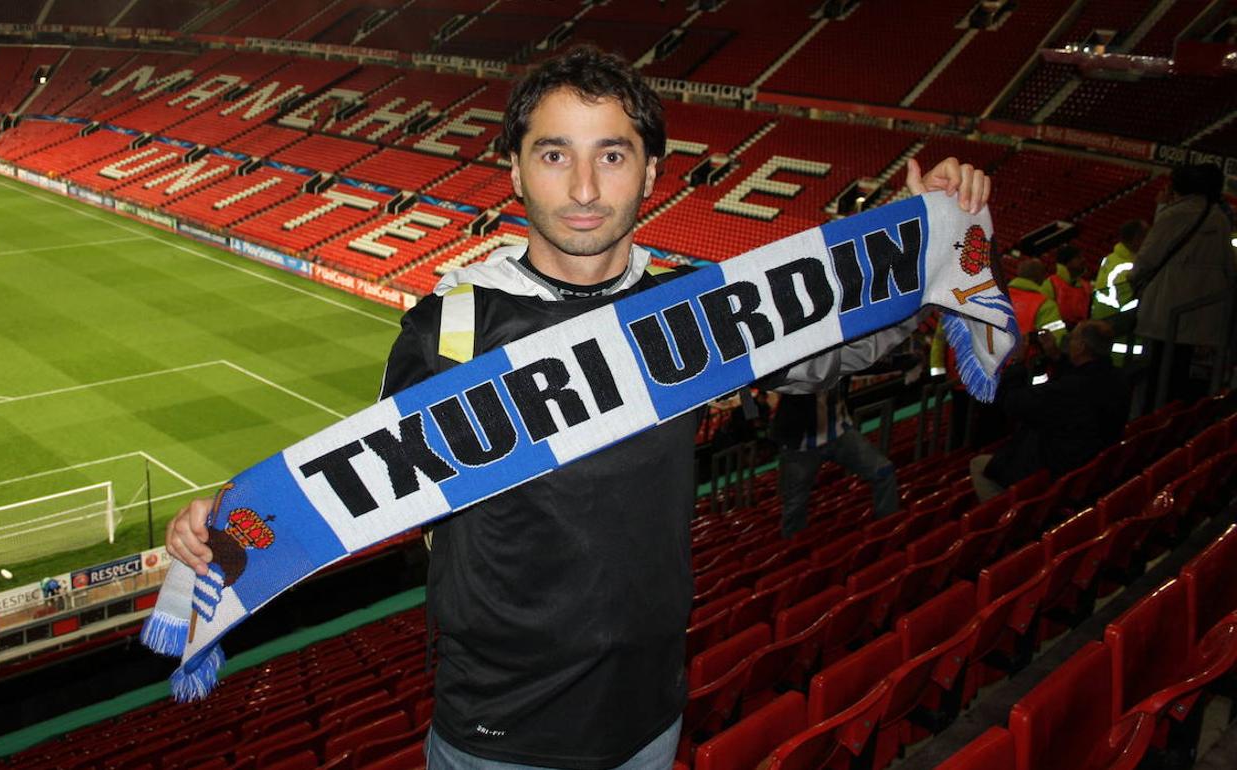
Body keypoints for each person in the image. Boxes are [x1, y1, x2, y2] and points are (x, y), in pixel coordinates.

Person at [165, 45, 991, 769]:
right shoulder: (449, 328)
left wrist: (928, 238)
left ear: (654, 173)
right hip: (497, 736)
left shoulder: (698, 317)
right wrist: (224, 533)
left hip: (649, 718)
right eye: (556, 155)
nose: (587, 187)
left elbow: (841, 352)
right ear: (516, 169)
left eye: (614, 155)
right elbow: (367, 487)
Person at [970, 320, 1130, 501]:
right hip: (1089, 459)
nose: (1068, 341)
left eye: (1073, 338)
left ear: (1082, 347)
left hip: (1058, 464)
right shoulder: (1117, 378)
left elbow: (1015, 403)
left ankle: (1008, 516)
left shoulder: (1071, 390)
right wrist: (1056, 356)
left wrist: (1018, 362)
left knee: (978, 465)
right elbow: (1082, 378)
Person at [1127, 163, 1236, 408]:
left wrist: (1135, 279)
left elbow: (1146, 259)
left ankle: (1154, 420)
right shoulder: (1218, 217)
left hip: (1166, 311)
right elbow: (1229, 267)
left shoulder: (1174, 215)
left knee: (1159, 375)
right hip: (1202, 315)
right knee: (1180, 372)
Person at [771, 380, 900, 538]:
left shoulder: (839, 357)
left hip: (839, 431)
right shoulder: (797, 366)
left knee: (883, 471)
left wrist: (905, 361)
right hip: (802, 443)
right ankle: (794, 554)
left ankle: (888, 531)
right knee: (794, 505)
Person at [1092, 219, 1148, 366]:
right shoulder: (1129, 269)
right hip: (1123, 344)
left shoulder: (1110, 259)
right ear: (1137, 239)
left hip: (1103, 332)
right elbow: (1131, 308)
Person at [1007, 258, 1066, 344]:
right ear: (1041, 276)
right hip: (1027, 355)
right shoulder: (1045, 304)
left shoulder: (997, 295)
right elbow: (1056, 338)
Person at [1044, 244, 1091, 327]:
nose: (1083, 260)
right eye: (1078, 258)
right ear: (1067, 262)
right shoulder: (1050, 284)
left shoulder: (1086, 286)